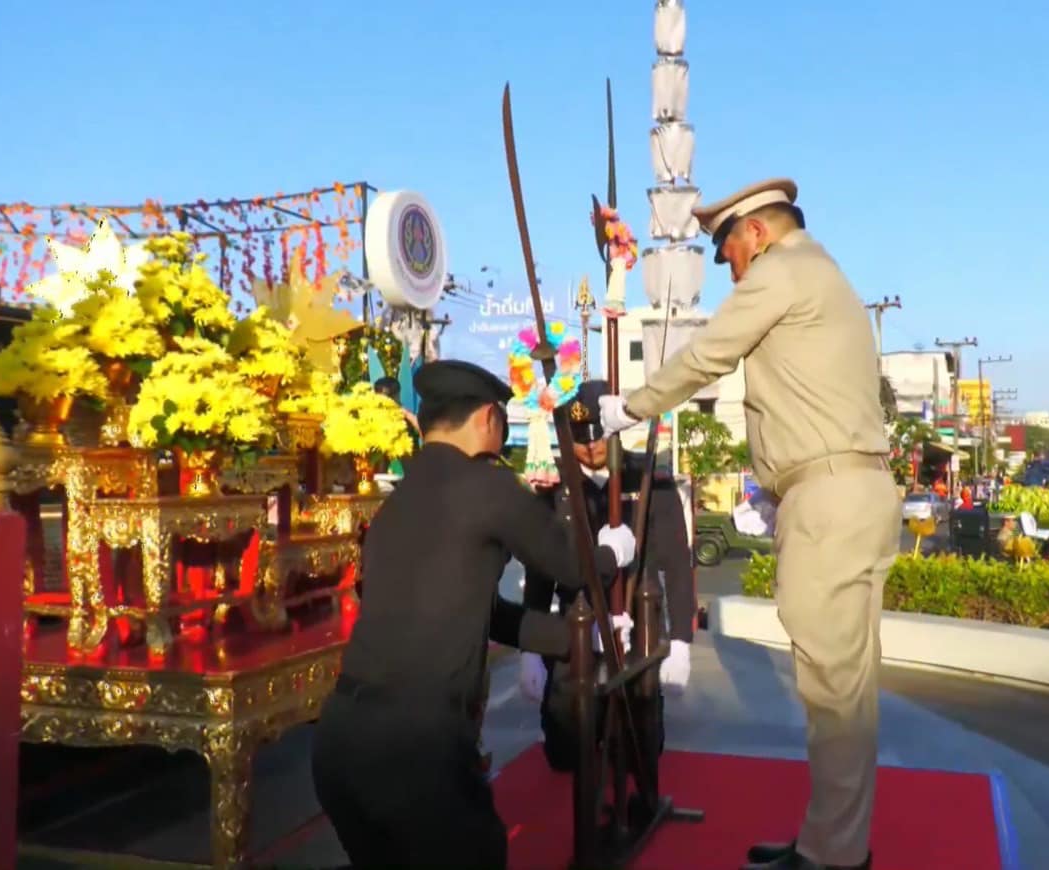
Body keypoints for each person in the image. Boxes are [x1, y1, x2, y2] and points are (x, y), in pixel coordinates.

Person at [598, 178, 897, 870]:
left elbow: (709, 354)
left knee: (833, 695)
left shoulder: (783, 270)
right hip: (842, 492)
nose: (729, 266)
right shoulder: (823, 274)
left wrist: (627, 409)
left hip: (831, 500)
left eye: (727, 248)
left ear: (757, 234)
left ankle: (835, 858)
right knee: (843, 690)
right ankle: (832, 842)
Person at [310, 359, 637, 869]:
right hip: (417, 747)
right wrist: (613, 553)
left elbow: (482, 613)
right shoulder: (487, 487)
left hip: (340, 742)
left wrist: (576, 639)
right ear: (489, 417)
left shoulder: (395, 504)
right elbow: (574, 568)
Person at [518, 379, 696, 772]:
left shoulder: (652, 483)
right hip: (574, 634)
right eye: (581, 439)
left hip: (638, 630)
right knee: (566, 757)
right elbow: (540, 575)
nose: (592, 447)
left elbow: (678, 568)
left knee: (639, 755)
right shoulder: (555, 490)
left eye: (599, 437)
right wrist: (530, 650)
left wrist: (681, 639)